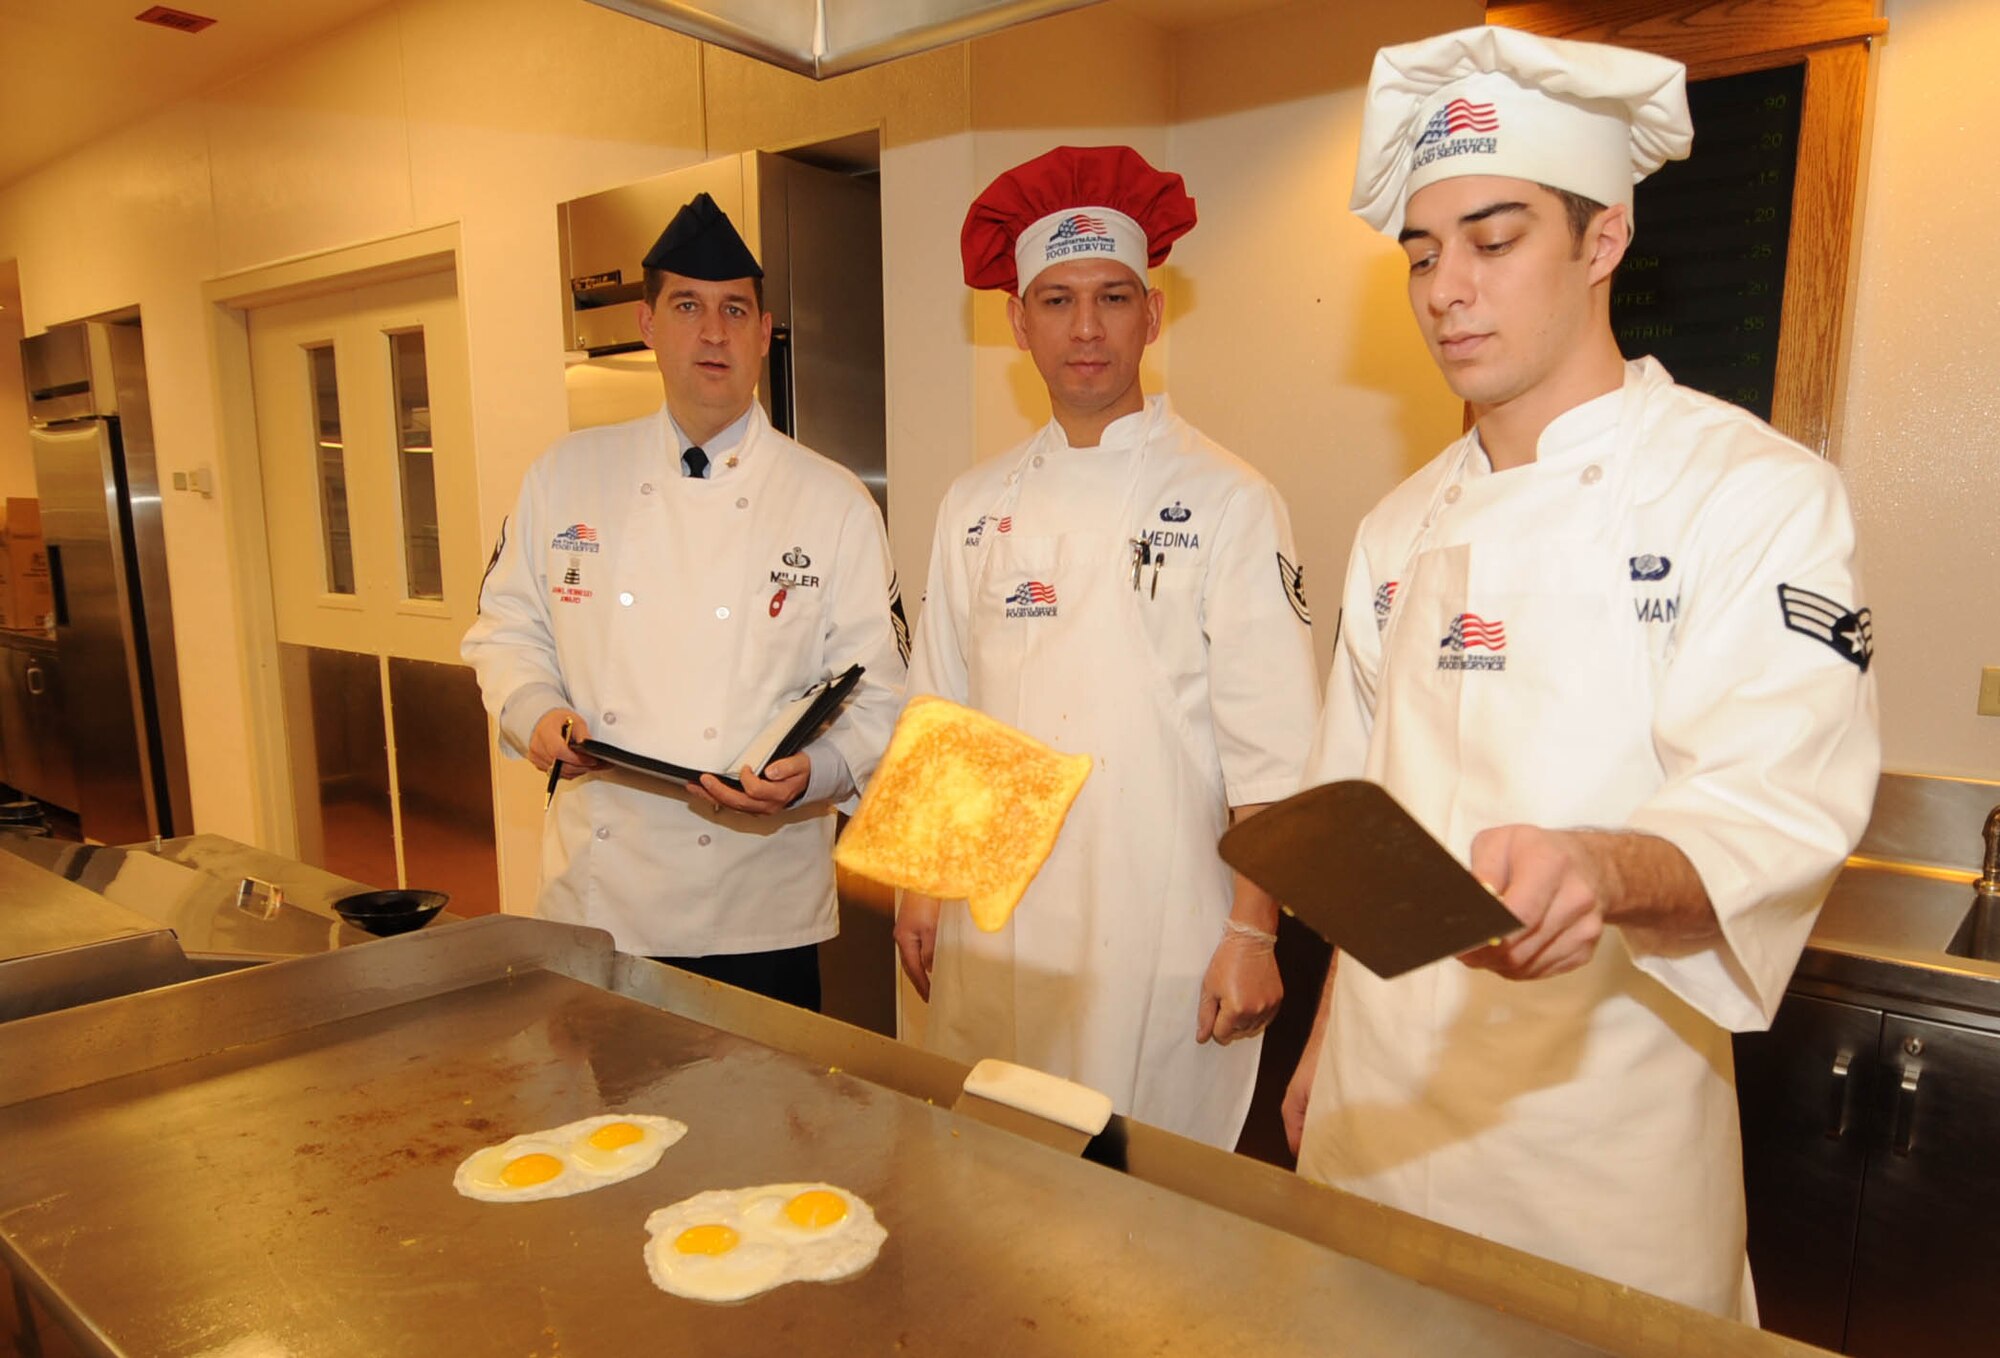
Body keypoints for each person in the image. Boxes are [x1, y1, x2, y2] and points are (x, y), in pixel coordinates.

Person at [1282, 27, 1881, 1318]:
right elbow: (1360, 823)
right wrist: (1332, 1040)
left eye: (1495, 242)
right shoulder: (1401, 523)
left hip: (1599, 1141)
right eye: (1425, 252)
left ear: (1602, 240)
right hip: (1379, 1117)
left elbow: (1769, 808)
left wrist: (1601, 866)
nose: (1448, 289)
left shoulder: (1753, 494)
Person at [893, 146, 1322, 1149]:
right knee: (996, 1185)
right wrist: (921, 880)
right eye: (1055, 299)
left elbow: (1272, 749)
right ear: (1016, 322)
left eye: (1112, 297)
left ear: (1152, 314)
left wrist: (1254, 928)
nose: (1084, 328)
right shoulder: (973, 503)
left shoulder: (1229, 499)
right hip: (995, 933)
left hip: (1160, 925)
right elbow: (942, 714)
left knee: (1143, 1213)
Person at [463, 192, 907, 1011]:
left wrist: (819, 771)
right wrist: (535, 713)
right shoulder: (564, 475)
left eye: (735, 310)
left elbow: (881, 689)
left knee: (762, 1134)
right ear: (647, 323)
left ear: (765, 331)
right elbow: (505, 629)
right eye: (688, 307)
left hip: (759, 907)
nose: (713, 332)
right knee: (601, 1130)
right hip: (602, 900)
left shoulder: (834, 501)